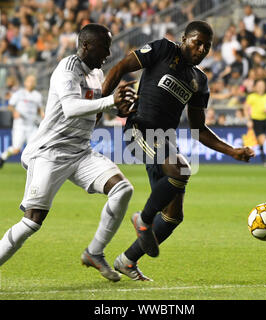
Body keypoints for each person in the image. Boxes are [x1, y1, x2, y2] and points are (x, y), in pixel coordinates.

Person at [0, 23, 137, 289]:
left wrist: (120, 108)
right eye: (104, 47)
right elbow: (71, 108)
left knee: (122, 189)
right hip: (51, 152)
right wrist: (110, 102)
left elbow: (93, 112)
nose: (108, 53)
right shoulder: (67, 69)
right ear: (86, 45)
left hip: (80, 152)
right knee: (32, 221)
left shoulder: (96, 73)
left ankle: (94, 252)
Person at [101, 20, 255, 281]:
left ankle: (127, 261)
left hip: (165, 143)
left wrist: (232, 152)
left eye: (207, 46)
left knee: (174, 215)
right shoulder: (162, 49)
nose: (202, 49)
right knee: (181, 169)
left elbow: (199, 129)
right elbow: (119, 67)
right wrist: (98, 106)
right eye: (197, 43)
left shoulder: (199, 81)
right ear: (185, 39)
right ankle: (143, 219)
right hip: (140, 130)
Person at [0, 75, 44, 169]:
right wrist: (15, 112)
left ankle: (33, 168)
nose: (31, 83)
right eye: (29, 81)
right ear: (25, 83)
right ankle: (3, 156)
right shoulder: (19, 94)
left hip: (31, 126)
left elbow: (39, 109)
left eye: (33, 81)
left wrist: (43, 115)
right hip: (20, 125)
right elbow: (10, 106)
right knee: (16, 150)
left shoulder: (37, 96)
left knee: (35, 148)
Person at [244, 80, 266, 166]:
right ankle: (264, 159)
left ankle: (262, 158)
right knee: (262, 140)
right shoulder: (251, 97)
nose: (261, 87)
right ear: (255, 87)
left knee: (260, 141)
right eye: (259, 85)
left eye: (262, 85)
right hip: (255, 120)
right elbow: (245, 108)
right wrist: (248, 120)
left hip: (264, 120)